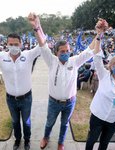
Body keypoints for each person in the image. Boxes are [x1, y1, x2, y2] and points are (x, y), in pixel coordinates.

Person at [38, 18, 107, 150]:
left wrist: (99, 34)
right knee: (50, 122)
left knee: (64, 124)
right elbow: (43, 45)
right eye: (62, 51)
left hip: (70, 102)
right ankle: (46, 137)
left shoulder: (74, 61)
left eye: (67, 51)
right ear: (56, 52)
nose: (65, 53)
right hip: (54, 102)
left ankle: (61, 142)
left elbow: (89, 49)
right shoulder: (51, 61)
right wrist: (37, 27)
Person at [0, 13, 44, 150]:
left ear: (21, 44)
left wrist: (37, 26)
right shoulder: (1, 57)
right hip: (11, 98)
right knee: (15, 122)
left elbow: (42, 45)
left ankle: (27, 140)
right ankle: (17, 140)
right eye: (11, 44)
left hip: (26, 98)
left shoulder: (28, 55)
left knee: (27, 122)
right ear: (7, 44)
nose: (13, 46)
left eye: (16, 44)